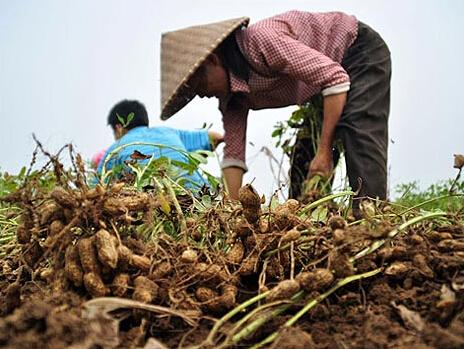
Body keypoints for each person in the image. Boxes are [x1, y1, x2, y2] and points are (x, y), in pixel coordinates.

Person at [159, 10, 391, 207]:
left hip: (356, 51)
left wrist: (324, 153)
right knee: (304, 158)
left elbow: (335, 79)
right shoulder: (232, 100)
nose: (202, 94)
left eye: (200, 84)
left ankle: (372, 222)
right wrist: (230, 210)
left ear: (213, 61)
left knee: (357, 131)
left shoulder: (262, 41)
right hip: (323, 87)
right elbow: (233, 156)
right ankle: (306, 231)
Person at [96, 100, 223, 190]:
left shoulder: (114, 150)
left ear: (119, 128)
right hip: (202, 197)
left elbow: (94, 190)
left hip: (158, 207)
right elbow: (216, 137)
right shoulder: (168, 132)